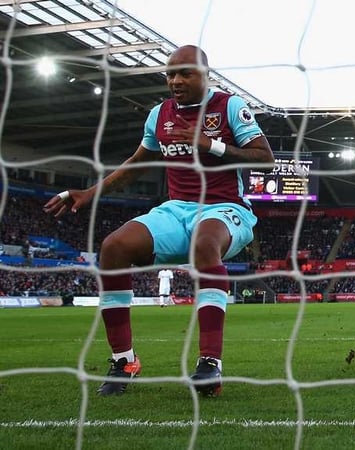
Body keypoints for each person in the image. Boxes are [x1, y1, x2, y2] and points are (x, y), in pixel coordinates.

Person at [43, 45, 274, 396]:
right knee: (113, 247)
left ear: (205, 75)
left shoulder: (229, 106)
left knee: (204, 242)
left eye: (185, 73)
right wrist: (91, 192)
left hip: (225, 208)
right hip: (176, 208)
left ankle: (209, 365)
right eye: (170, 74)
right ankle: (125, 361)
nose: (176, 80)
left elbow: (265, 158)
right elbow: (138, 163)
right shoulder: (159, 114)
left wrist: (210, 145)